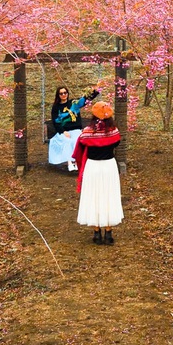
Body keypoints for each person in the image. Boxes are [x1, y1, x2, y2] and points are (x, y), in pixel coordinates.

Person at [72, 101, 124, 244]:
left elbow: (81, 145)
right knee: (109, 196)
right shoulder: (113, 131)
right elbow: (116, 143)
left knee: (93, 195)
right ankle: (108, 232)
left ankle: (96, 232)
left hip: (92, 167)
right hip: (109, 167)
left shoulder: (87, 132)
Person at [49, 85, 101, 171]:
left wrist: (95, 91)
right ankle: (69, 162)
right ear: (58, 95)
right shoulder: (56, 107)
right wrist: (63, 131)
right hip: (64, 131)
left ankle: (76, 162)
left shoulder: (73, 103)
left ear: (67, 93)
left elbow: (85, 99)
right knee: (67, 141)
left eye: (65, 93)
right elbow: (56, 121)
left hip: (75, 129)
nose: (63, 95)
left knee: (76, 140)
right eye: (61, 93)